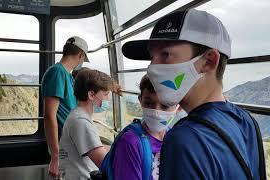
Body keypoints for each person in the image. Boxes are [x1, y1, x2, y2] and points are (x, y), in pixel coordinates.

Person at [122, 9, 265, 180]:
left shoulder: (183, 139)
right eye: (152, 56)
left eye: (165, 54)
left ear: (209, 60)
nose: (152, 67)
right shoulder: (246, 120)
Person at [111, 74, 180, 180]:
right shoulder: (131, 142)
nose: (156, 111)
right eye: (148, 103)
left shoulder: (174, 139)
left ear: (178, 108)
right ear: (140, 100)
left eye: (165, 105)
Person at [41, 36, 89, 178]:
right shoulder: (57, 73)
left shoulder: (67, 75)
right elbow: (49, 116)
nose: (81, 62)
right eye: (83, 59)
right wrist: (56, 156)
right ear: (80, 55)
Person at [58, 69, 115, 180]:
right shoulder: (81, 122)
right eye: (106, 94)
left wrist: (116, 148)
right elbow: (105, 163)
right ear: (91, 95)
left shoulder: (77, 115)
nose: (108, 99)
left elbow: (95, 147)